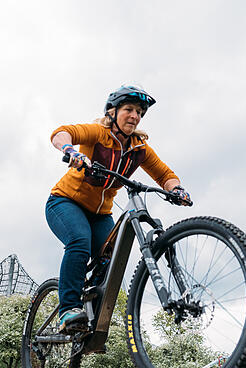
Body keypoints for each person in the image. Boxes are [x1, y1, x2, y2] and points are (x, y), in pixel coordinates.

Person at [46, 84, 191, 332]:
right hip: (65, 202)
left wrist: (175, 188)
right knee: (80, 242)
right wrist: (71, 151)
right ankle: (68, 309)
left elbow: (165, 174)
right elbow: (62, 132)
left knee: (111, 257)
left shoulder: (138, 147)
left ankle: (91, 310)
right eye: (129, 109)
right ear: (112, 111)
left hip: (100, 215)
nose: (135, 116)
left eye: (139, 113)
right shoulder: (97, 133)